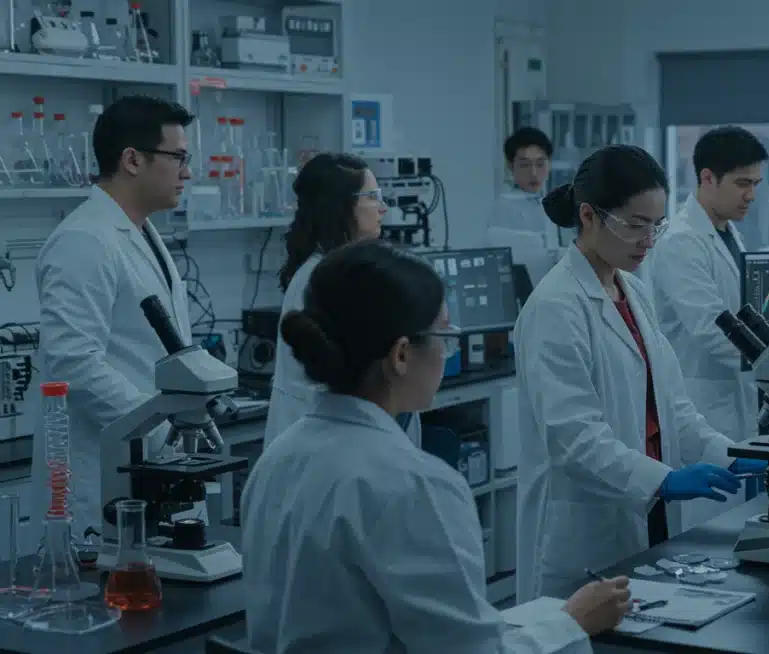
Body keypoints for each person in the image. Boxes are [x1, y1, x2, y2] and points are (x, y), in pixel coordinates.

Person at [242, 239, 630, 653]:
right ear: (402, 355)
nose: (447, 350)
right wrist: (572, 622)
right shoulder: (412, 485)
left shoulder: (276, 461)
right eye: (443, 333)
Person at [515, 144, 766, 602]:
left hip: (645, 514)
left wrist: (730, 453)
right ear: (588, 216)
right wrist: (663, 479)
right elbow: (574, 438)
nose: (648, 240)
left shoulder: (631, 289)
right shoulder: (555, 307)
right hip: (586, 526)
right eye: (634, 224)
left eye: (656, 224)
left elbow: (674, 407)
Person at [34, 95, 194, 546]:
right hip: (98, 476)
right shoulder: (84, 241)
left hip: (142, 466)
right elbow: (72, 364)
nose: (188, 172)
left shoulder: (138, 232)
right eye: (178, 157)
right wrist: (160, 429)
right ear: (132, 160)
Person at [644, 126, 769, 532]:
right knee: (704, 537)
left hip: (733, 406)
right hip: (701, 407)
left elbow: (744, 320)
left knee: (738, 529)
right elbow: (714, 331)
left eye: (756, 183)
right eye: (742, 183)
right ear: (707, 178)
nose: (751, 194)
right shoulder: (681, 241)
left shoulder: (729, 233)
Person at [264, 152, 392, 448]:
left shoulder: (335, 271)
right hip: (321, 441)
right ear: (341, 207)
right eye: (372, 197)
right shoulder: (320, 280)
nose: (383, 208)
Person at [487, 127, 561, 284]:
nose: (534, 173)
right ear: (510, 165)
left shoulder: (558, 202)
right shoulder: (504, 208)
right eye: (525, 165)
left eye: (540, 164)